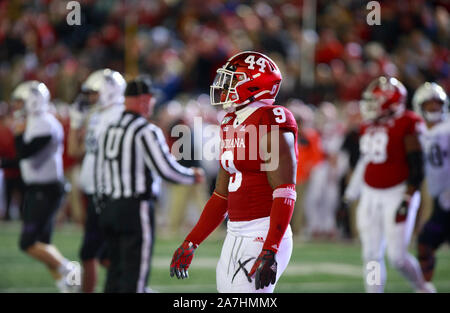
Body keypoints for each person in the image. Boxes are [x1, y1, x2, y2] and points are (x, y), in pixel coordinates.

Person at [170, 51, 298, 293]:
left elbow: (285, 191)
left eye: (232, 81)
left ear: (253, 85)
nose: (224, 86)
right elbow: (221, 196)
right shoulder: (231, 121)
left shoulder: (271, 119)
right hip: (235, 232)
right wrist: (191, 241)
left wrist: (270, 248)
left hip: (262, 230)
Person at [96, 76, 204, 293]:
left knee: (114, 276)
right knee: (134, 278)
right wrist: (192, 176)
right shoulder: (146, 130)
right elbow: (166, 170)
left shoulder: (109, 129)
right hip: (135, 209)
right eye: (151, 98)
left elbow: (100, 171)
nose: (153, 103)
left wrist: (101, 207)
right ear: (144, 100)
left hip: (109, 207)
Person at [343, 76, 433, 293]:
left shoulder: (408, 122)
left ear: (390, 101)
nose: (370, 106)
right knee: (371, 254)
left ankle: (422, 287)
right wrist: (351, 193)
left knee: (397, 257)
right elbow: (367, 161)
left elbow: (417, 165)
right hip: (370, 195)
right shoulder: (368, 125)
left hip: (397, 192)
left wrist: (408, 196)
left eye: (375, 101)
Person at [0, 81, 79, 292]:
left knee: (28, 242)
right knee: (43, 241)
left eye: (20, 101)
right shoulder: (35, 120)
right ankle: (66, 283)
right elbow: (24, 159)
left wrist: (17, 133)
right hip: (41, 187)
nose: (16, 105)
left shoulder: (43, 122)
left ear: (32, 100)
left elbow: (26, 152)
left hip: (47, 188)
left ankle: (69, 270)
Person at [68, 68, 126, 293]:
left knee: (101, 253)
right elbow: (75, 151)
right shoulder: (98, 115)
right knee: (93, 253)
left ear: (110, 91)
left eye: (95, 92)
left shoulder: (120, 115)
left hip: (109, 192)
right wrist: (75, 124)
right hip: (93, 191)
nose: (90, 97)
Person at [413, 82, 449, 293]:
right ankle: (424, 287)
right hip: (442, 202)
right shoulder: (420, 131)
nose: (434, 110)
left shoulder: (445, 129)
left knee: (426, 241)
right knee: (425, 242)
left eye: (437, 105)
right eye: (430, 106)